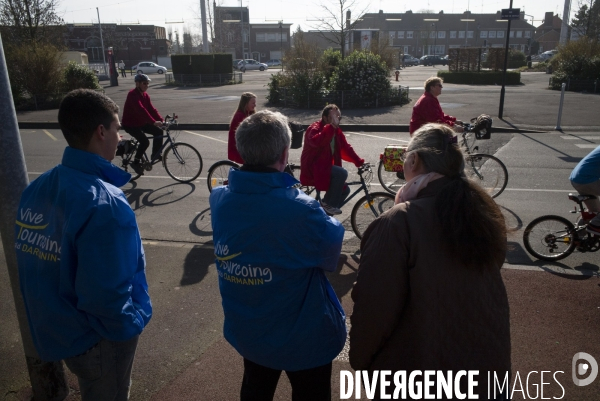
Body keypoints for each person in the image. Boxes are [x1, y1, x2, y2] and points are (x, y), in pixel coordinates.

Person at [349, 123, 511, 399]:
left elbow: (374, 306)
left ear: (414, 160)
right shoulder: (481, 210)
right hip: (486, 367)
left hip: (419, 373)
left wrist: (361, 363)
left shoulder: (400, 221)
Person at [15, 89, 152, 400]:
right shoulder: (105, 203)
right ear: (101, 132)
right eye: (117, 129)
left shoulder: (37, 188)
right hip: (98, 340)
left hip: (57, 330)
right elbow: (108, 295)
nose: (120, 137)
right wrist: (135, 323)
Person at [210, 110, 346, 401]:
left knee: (255, 387)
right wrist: (327, 209)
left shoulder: (219, 199)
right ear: (285, 153)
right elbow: (330, 254)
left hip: (249, 329)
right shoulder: (303, 210)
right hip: (304, 336)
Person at [300, 104, 365, 215]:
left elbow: (346, 148)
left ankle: (324, 213)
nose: (337, 120)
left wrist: (358, 161)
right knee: (341, 173)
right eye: (334, 117)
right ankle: (327, 207)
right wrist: (331, 127)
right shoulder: (314, 128)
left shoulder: (336, 131)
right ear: (325, 118)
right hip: (314, 168)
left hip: (325, 167)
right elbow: (318, 142)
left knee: (345, 191)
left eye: (338, 117)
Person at [121, 73, 164, 175]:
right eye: (144, 83)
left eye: (147, 83)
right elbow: (141, 110)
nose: (146, 86)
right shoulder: (132, 95)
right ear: (137, 84)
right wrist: (153, 122)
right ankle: (135, 162)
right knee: (145, 142)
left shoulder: (145, 95)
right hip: (130, 124)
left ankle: (155, 155)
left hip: (140, 122)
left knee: (159, 132)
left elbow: (151, 109)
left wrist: (161, 121)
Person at [570, 145, 600, 235]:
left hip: (577, 178)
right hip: (587, 180)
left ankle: (577, 238)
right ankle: (595, 226)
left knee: (594, 212)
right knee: (596, 220)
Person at [228, 92, 256, 164]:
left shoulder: (249, 113)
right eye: (253, 103)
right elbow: (247, 133)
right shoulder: (240, 116)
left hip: (244, 145)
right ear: (246, 103)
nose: (255, 105)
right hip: (239, 147)